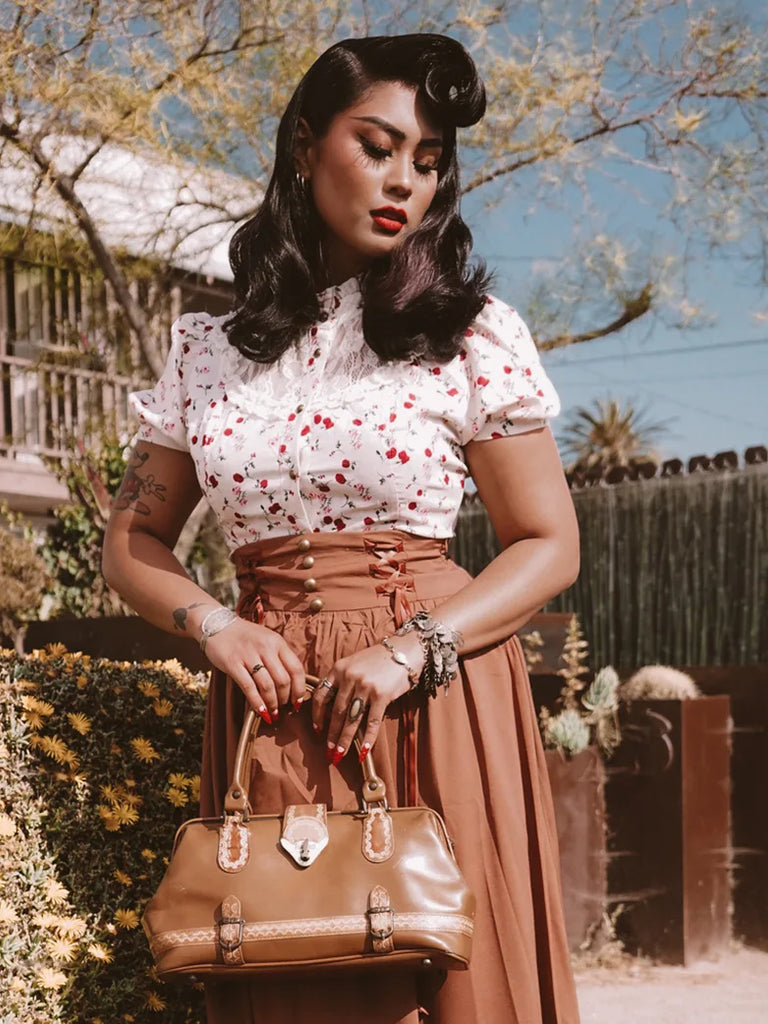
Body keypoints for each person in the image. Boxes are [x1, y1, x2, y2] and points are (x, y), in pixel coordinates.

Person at [103, 33, 581, 1024]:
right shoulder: (208, 351)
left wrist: (416, 649)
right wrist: (214, 625)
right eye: (377, 145)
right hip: (273, 706)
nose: (405, 178)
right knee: (290, 965)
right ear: (304, 144)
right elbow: (132, 542)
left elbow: (548, 544)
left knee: (454, 977)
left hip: (433, 696)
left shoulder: (469, 332)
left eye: (430, 158)